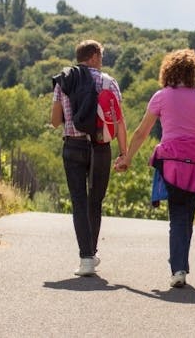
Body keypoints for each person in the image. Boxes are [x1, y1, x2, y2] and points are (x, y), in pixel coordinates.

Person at [115, 48, 195, 288]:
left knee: (177, 215)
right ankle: (180, 263)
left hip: (171, 161)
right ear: (193, 72)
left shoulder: (161, 96)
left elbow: (142, 131)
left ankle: (178, 268)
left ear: (168, 71)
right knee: (186, 215)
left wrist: (127, 157)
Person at [51, 39, 127, 277]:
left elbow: (55, 121)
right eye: (101, 56)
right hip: (100, 148)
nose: (102, 61)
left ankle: (86, 258)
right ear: (93, 56)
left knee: (79, 201)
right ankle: (91, 254)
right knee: (95, 201)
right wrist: (124, 153)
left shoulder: (64, 80)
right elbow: (119, 122)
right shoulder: (108, 82)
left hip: (72, 146)